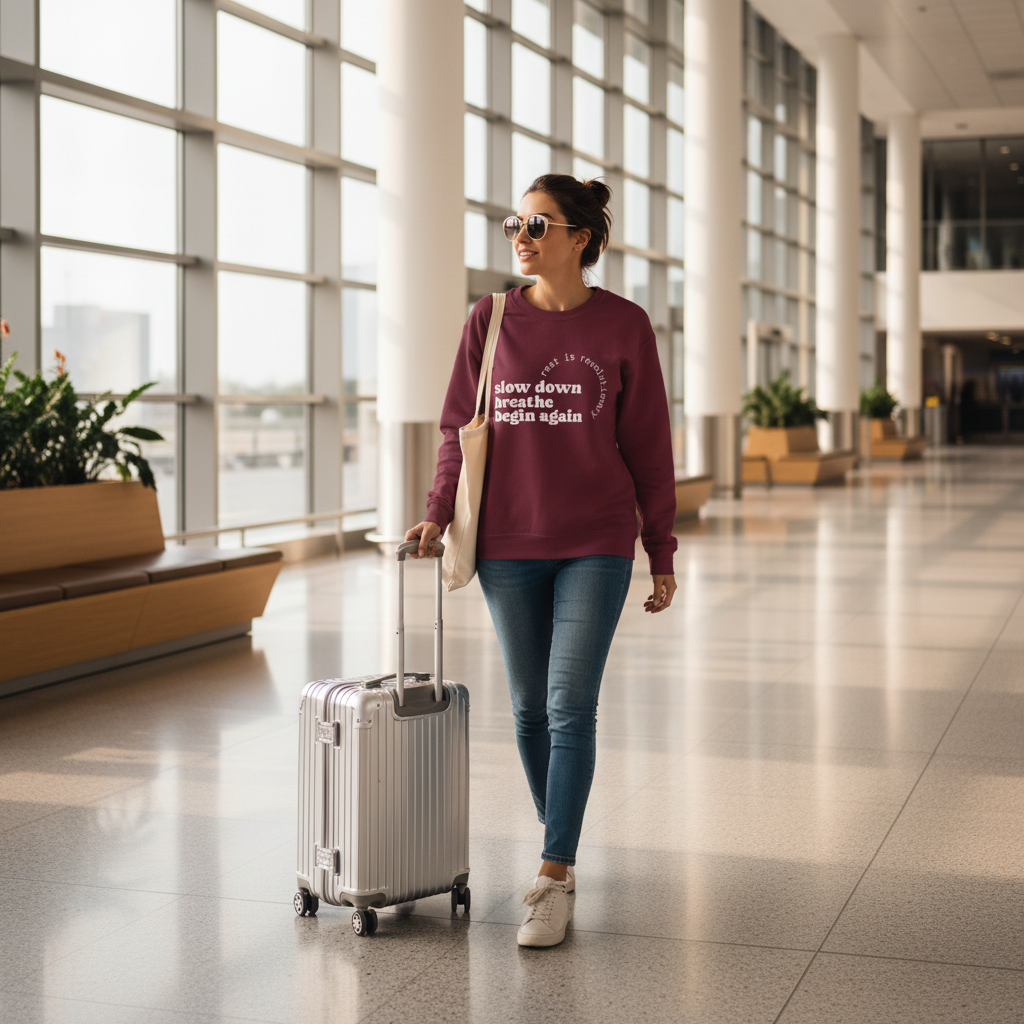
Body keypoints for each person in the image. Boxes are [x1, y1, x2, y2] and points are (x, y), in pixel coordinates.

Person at [405, 174, 677, 948]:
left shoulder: (625, 326)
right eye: (512, 224)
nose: (520, 236)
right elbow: (461, 425)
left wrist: (661, 546)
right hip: (508, 544)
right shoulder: (490, 320)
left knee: (568, 704)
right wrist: (435, 513)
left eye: (537, 222)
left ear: (581, 237)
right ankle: (561, 837)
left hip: (596, 539)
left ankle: (553, 874)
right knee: (528, 710)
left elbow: (649, 444)